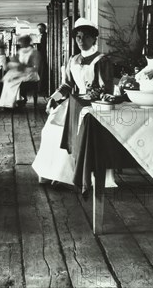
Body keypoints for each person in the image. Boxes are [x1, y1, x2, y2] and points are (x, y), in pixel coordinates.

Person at [32, 18, 115, 186]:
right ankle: (52, 172)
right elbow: (67, 85)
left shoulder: (102, 60)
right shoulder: (73, 59)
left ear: (94, 39)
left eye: (85, 37)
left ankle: (69, 177)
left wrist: (92, 96)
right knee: (51, 128)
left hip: (94, 106)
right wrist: (53, 99)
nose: (81, 41)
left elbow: (106, 89)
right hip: (74, 103)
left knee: (70, 132)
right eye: (78, 37)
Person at [0, 34, 41, 108]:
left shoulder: (34, 52)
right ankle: (9, 103)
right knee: (8, 79)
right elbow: (17, 61)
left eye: (22, 42)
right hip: (21, 71)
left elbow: (36, 67)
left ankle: (16, 102)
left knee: (14, 80)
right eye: (20, 42)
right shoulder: (20, 51)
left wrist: (24, 67)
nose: (21, 44)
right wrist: (13, 62)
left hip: (30, 72)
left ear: (27, 42)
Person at [36, 23, 48, 95]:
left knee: (43, 73)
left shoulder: (45, 36)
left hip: (44, 57)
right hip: (42, 56)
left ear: (44, 28)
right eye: (38, 29)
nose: (39, 30)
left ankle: (42, 89)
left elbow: (43, 48)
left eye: (40, 28)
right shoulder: (42, 36)